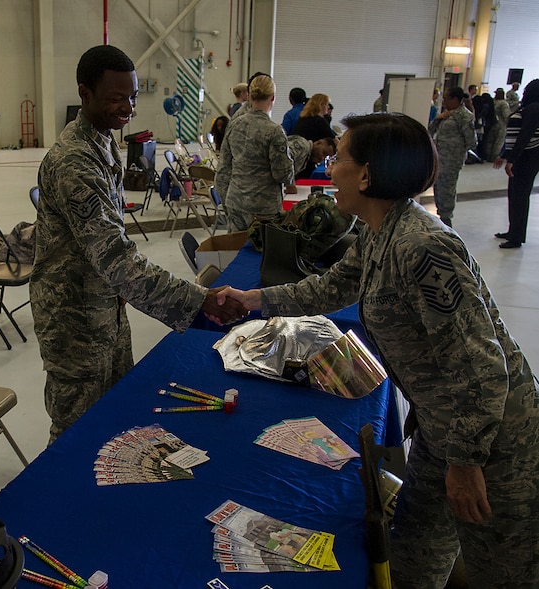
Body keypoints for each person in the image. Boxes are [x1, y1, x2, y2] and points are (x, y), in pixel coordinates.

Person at [216, 112, 539, 589]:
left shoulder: (423, 247)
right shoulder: (378, 229)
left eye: (340, 159)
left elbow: (482, 368)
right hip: (442, 428)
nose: (329, 170)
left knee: (501, 571)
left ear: (366, 173)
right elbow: (331, 287)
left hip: (494, 443)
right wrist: (256, 300)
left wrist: (468, 463)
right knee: (412, 554)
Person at [30, 45, 247, 443]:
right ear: (85, 94)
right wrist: (198, 301)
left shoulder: (101, 141)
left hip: (105, 307)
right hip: (74, 319)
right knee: (76, 433)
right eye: (116, 98)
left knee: (115, 413)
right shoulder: (74, 162)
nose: (128, 107)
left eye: (132, 96)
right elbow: (117, 260)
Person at [214, 74, 294, 230]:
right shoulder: (274, 131)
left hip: (235, 200)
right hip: (263, 206)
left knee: (237, 250)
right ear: (273, 97)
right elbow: (283, 174)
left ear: (249, 96)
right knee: (262, 252)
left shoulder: (234, 124)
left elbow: (224, 166)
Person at [493, 78, 539, 249]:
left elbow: (525, 136)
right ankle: (513, 231)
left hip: (527, 158)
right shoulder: (529, 107)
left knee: (519, 196)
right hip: (522, 156)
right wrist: (504, 155)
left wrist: (512, 159)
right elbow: (515, 136)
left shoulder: (534, 108)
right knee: (514, 194)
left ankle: (517, 237)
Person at [428, 86, 476, 226]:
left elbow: (471, 141)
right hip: (439, 158)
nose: (444, 102)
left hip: (451, 160)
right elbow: (430, 132)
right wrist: (437, 119)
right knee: (438, 187)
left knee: (447, 189)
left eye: (447, 99)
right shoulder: (447, 114)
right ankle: (441, 214)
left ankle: (446, 218)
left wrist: (456, 151)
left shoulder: (464, 116)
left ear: (455, 99)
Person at [484, 88, 511, 163]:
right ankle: (494, 157)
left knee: (490, 141)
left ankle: (487, 156)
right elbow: (506, 115)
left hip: (492, 123)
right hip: (501, 124)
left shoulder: (493, 101)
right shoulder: (504, 103)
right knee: (499, 141)